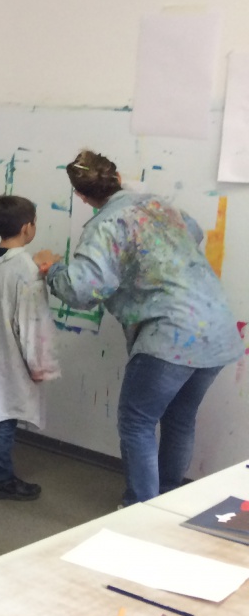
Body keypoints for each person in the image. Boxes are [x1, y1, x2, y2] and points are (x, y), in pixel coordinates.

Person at [37, 150, 241, 506]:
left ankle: (140, 509)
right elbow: (193, 232)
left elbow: (81, 290)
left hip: (172, 337)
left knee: (137, 422)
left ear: (81, 196)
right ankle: (167, 497)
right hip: (217, 330)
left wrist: (51, 269)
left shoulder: (105, 225)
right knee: (180, 418)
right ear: (118, 178)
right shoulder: (160, 204)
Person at [0, 195, 61, 501]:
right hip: (9, 358)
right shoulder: (26, 270)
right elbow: (33, 325)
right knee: (4, 416)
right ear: (27, 228)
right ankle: (0, 479)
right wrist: (41, 365)